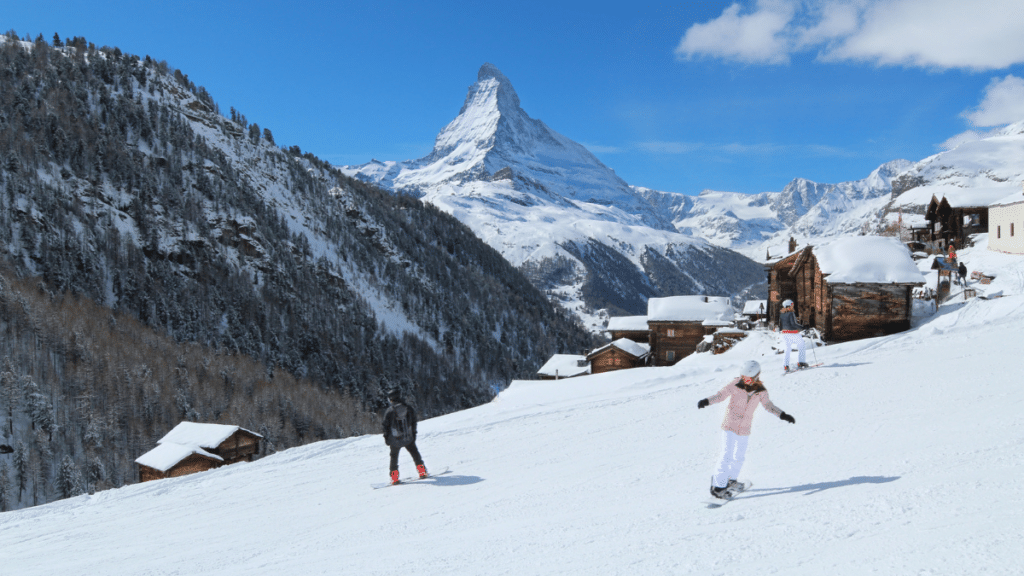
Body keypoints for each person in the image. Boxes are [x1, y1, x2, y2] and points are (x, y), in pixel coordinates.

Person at [697, 360, 795, 500]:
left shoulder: (761, 391)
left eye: (748, 378)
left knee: (739, 457)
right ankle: (718, 486)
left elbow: (768, 405)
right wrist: (707, 401)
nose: (745, 380)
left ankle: (731, 480)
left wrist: (782, 414)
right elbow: (721, 395)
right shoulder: (735, 384)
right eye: (743, 377)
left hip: (744, 428)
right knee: (726, 455)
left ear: (756, 376)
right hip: (730, 424)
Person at [382, 388, 428, 485]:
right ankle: (422, 472)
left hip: (395, 440)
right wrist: (413, 435)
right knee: (415, 454)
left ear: (391, 399)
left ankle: (394, 478)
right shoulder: (408, 408)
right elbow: (414, 422)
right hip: (408, 438)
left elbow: (385, 426)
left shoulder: (389, 411)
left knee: (394, 457)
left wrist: (387, 439)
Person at [779, 299, 808, 371]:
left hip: (784, 334)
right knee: (801, 345)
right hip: (793, 333)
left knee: (787, 349)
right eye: (792, 305)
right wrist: (803, 327)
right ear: (788, 306)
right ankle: (801, 362)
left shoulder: (781, 314)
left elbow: (780, 326)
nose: (793, 307)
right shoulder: (791, 313)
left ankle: (786, 366)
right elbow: (793, 324)